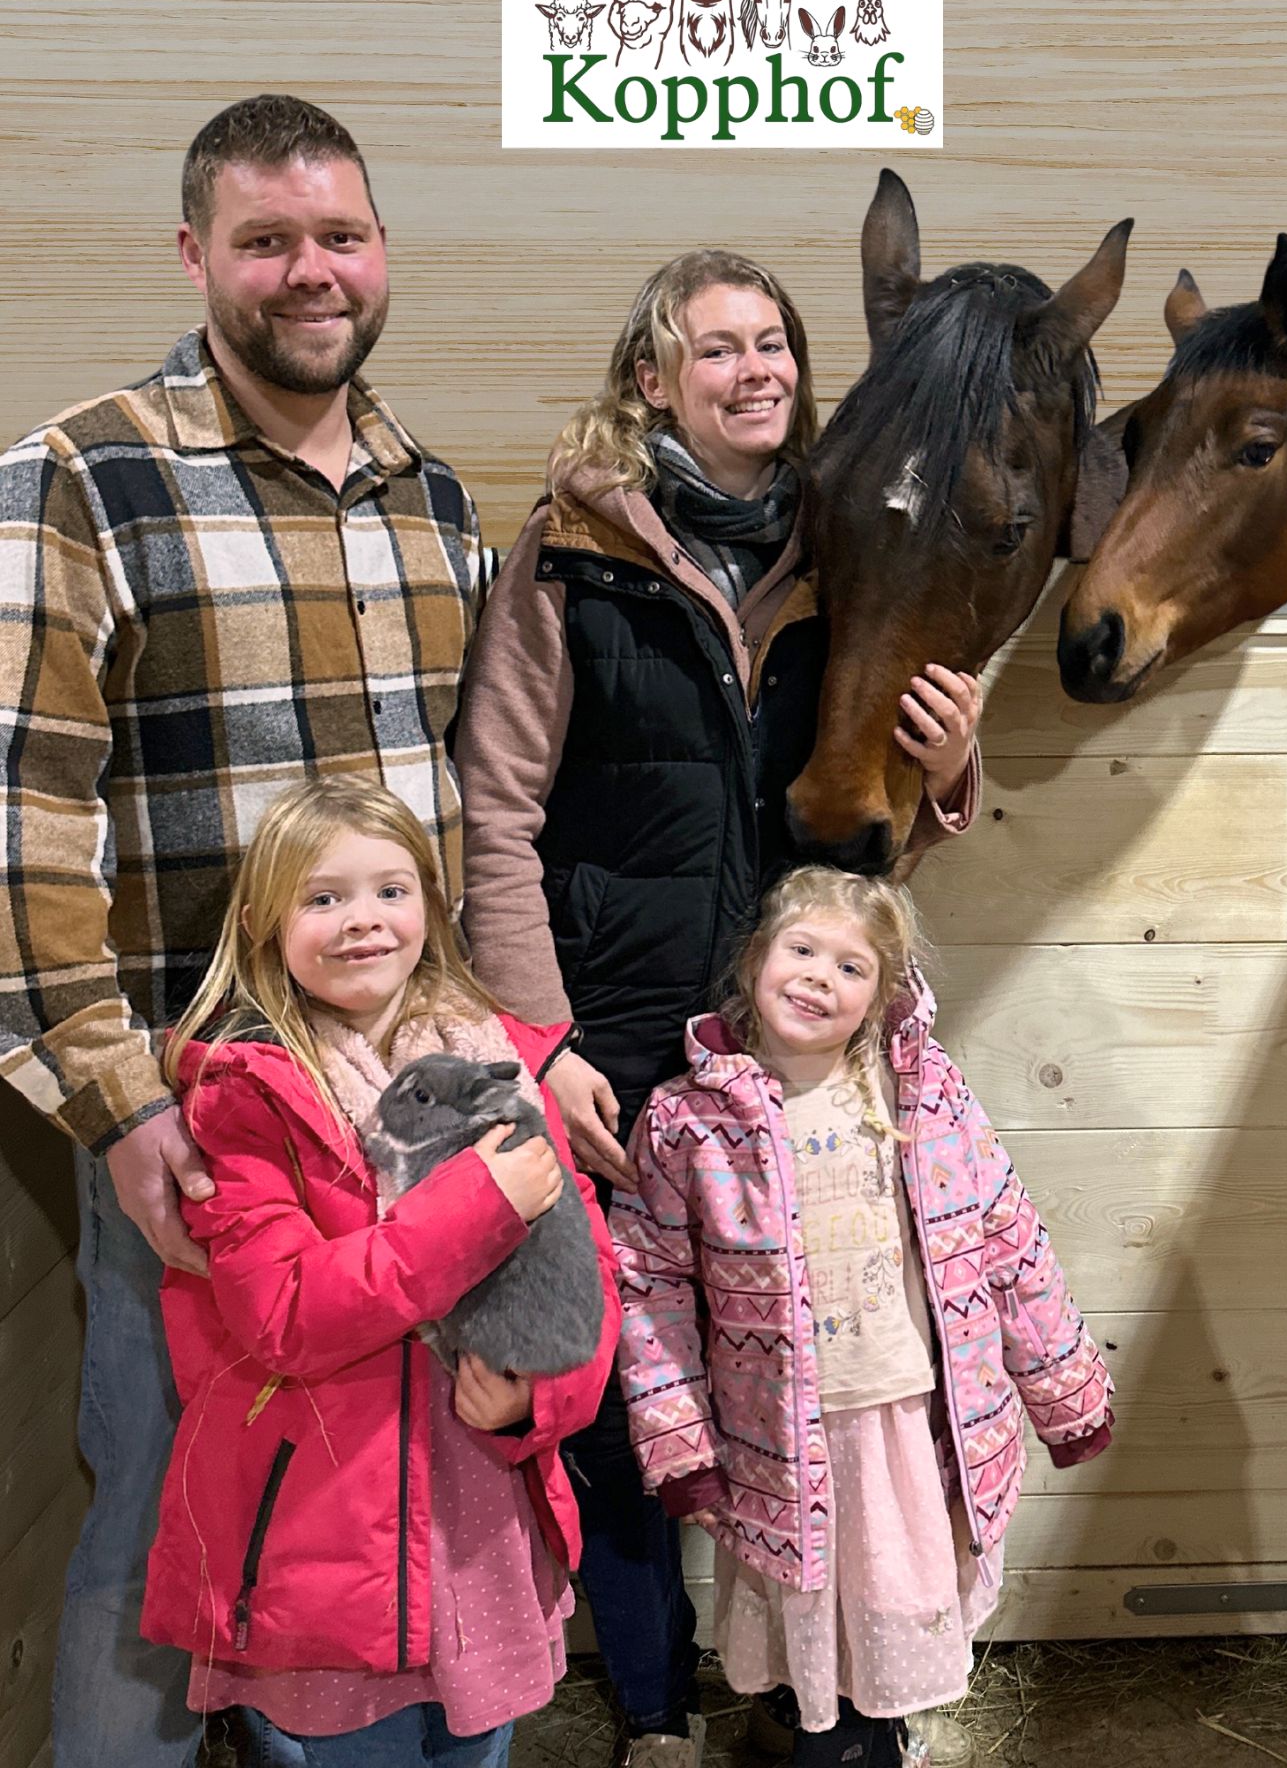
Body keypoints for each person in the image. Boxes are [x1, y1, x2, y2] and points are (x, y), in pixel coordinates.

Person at [0, 94, 483, 1767]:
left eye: (338, 235)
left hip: (406, 1108)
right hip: (204, 1120)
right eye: (266, 241)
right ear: (195, 255)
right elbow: (21, 815)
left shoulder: (433, 501)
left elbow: (469, 800)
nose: (309, 271)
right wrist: (116, 1105)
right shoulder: (83, 478)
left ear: (382, 250)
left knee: (365, 1500)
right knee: (165, 1507)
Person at [456, 250, 982, 1765]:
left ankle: (818, 1693)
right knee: (634, 1386)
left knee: (819, 1373)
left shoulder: (852, 543)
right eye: (719, 347)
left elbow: (887, 794)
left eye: (775, 344)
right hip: (619, 1039)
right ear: (652, 380)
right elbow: (496, 809)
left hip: (801, 1042)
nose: (758, 370)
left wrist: (955, 772)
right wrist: (542, 1042)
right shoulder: (569, 555)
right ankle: (653, 1701)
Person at [139, 776, 619, 1764]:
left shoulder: (496, 1064)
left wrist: (535, 1397)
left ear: (432, 909)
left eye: (390, 891)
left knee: (476, 1747)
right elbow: (284, 1313)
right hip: (328, 1542)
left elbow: (586, 1282)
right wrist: (478, 1207)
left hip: (476, 1527)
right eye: (324, 897)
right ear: (264, 924)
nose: (363, 919)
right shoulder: (247, 1096)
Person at [610, 866, 1115, 1766]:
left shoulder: (920, 1093)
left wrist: (1066, 1395)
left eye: (851, 967)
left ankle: (864, 1739)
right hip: (775, 1435)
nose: (819, 977)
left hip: (904, 1424)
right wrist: (680, 1442)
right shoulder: (688, 1120)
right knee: (805, 1609)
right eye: (801, 950)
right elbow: (651, 1286)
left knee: (887, 1609)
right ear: (755, 960)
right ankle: (817, 1729)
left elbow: (1006, 1235)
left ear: (882, 997)